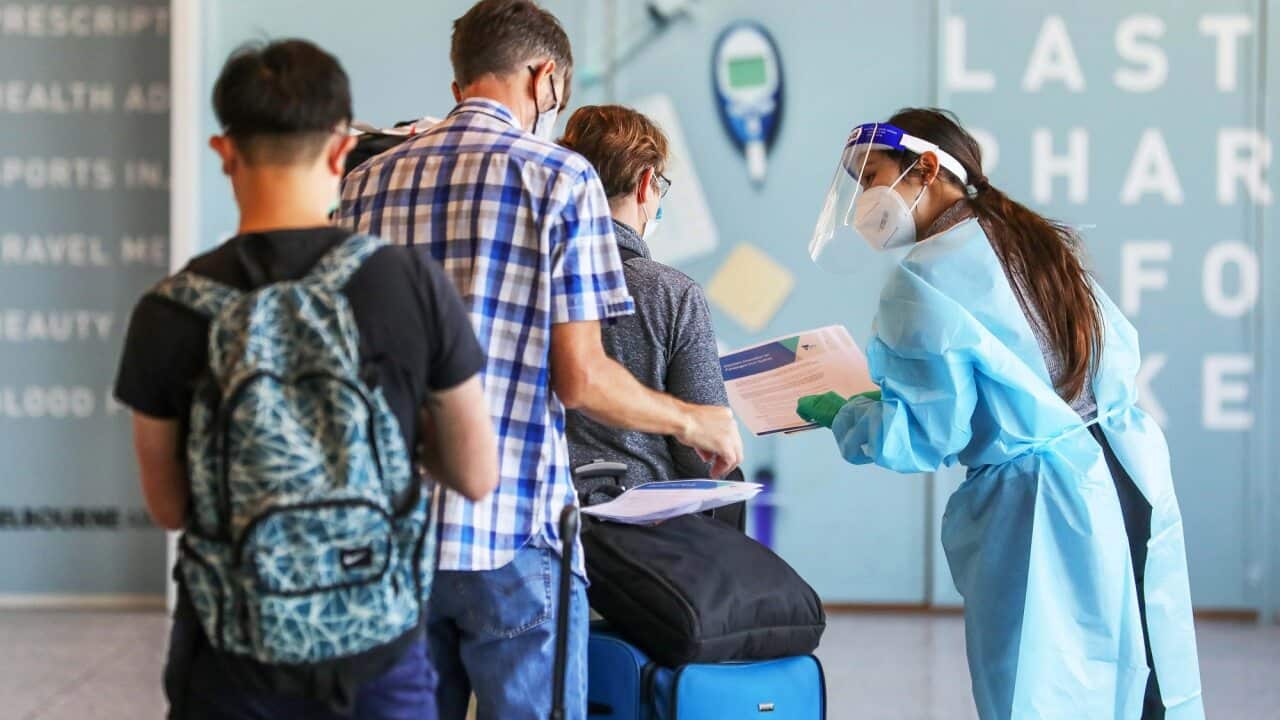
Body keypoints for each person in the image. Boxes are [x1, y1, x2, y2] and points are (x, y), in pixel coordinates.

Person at [338, 2, 743, 718]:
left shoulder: (364, 183)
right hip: (514, 525)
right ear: (546, 78)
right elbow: (580, 377)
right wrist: (692, 421)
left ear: (461, 76)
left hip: (391, 532)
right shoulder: (560, 179)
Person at [115, 39, 498, 719]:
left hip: (229, 660)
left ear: (223, 151)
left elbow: (170, 507)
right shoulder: (410, 284)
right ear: (341, 149)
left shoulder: (168, 309)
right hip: (378, 653)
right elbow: (475, 473)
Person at [797, 109, 1203, 720]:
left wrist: (849, 415)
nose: (862, 199)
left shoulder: (922, 278)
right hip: (1127, 474)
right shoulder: (1032, 240)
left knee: (1045, 691)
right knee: (1148, 684)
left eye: (871, 175)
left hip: (1045, 508)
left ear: (925, 168)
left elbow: (931, 434)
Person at [557, 105, 730, 488]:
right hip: (645, 528)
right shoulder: (672, 294)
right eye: (659, 187)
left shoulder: (532, 276)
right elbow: (704, 458)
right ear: (645, 181)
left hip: (543, 518)